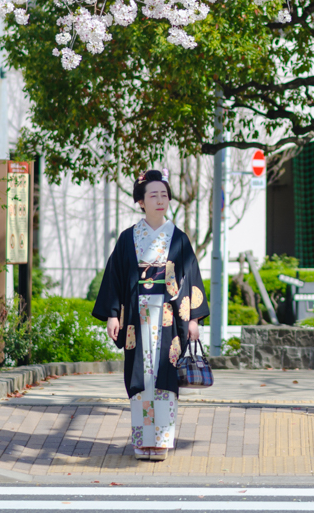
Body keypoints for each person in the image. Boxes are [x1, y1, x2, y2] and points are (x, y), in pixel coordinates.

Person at [91, 169, 209, 461]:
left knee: (165, 378)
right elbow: (115, 278)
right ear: (141, 201)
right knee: (141, 378)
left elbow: (191, 277)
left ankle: (163, 440)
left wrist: (193, 319)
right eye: (153, 195)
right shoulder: (128, 238)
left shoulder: (178, 238)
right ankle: (143, 441)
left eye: (164, 194)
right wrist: (112, 314)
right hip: (137, 315)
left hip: (169, 318)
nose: (160, 200)